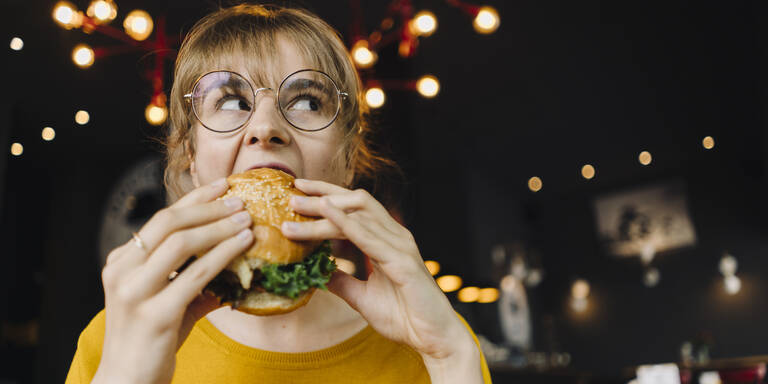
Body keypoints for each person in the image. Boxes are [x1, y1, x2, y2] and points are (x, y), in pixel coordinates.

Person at [65, 4, 492, 383]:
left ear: (345, 161)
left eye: (307, 101)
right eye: (231, 101)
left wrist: (451, 358)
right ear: (190, 159)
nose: (266, 128)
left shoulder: (438, 347)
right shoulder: (116, 338)